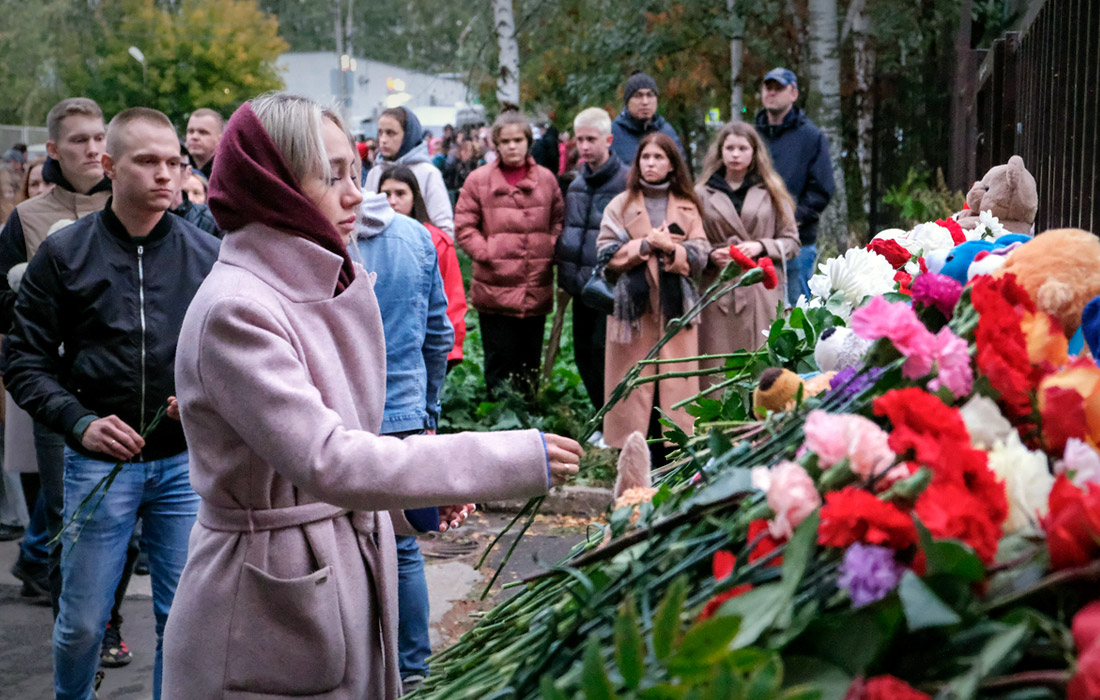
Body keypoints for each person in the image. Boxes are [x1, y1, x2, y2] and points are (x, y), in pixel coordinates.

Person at [160, 92, 580, 700]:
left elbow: (327, 466)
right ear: (272, 185)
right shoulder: (238, 310)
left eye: (353, 173)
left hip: (322, 576)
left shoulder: (308, 281)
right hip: (265, 603)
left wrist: (413, 502)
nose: (357, 194)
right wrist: (502, 460)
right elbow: (330, 460)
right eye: (332, 177)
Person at [2, 106, 220, 700]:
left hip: (182, 465)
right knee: (80, 625)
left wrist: (201, 400)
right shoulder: (65, 253)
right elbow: (23, 360)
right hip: (99, 462)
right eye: (147, 161)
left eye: (174, 162)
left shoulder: (208, 257)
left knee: (182, 621)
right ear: (109, 165)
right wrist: (80, 422)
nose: (164, 175)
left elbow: (231, 359)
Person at [0, 97, 112, 615]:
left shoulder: (127, 204)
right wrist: (32, 298)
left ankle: (102, 619)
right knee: (71, 508)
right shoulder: (26, 218)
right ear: (54, 149)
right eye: (79, 139)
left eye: (99, 137)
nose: (93, 149)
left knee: (120, 511)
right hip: (56, 391)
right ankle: (76, 626)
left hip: (123, 380)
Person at [353, 185, 453, 692]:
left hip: (339, 412)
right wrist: (427, 406)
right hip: (402, 411)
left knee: (339, 541)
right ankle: (413, 667)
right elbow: (439, 334)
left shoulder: (324, 237)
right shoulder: (416, 237)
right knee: (404, 545)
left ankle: (361, 665)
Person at [597, 132, 708, 458]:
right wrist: (644, 245)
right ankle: (629, 459)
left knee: (675, 383)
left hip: (676, 309)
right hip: (632, 310)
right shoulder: (621, 204)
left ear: (672, 164)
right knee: (633, 387)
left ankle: (673, 460)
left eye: (659, 157)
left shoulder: (688, 205)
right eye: (646, 157)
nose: (651, 163)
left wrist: (672, 250)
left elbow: (701, 252)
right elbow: (605, 253)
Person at [455, 108, 565, 399]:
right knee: (499, 358)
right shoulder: (478, 181)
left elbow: (558, 220)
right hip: (495, 287)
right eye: (506, 141)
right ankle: (500, 418)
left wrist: (548, 247)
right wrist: (487, 252)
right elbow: (465, 227)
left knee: (529, 359)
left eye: (518, 139)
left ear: (529, 141)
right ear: (496, 144)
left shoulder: (546, 180)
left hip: (535, 283)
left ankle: (529, 413)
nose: (512, 146)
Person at [695, 121, 800, 387]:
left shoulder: (772, 191)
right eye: (729, 147)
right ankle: (715, 423)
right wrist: (709, 254)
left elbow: (791, 241)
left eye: (742, 148)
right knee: (717, 364)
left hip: (760, 289)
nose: (735, 154)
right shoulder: (701, 193)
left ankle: (761, 420)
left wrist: (762, 246)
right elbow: (690, 241)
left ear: (754, 152)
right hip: (717, 289)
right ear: (720, 152)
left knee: (760, 363)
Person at [555, 108, 629, 411]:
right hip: (580, 285)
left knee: (605, 352)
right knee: (583, 352)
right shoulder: (575, 184)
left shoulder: (626, 182)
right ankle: (601, 411)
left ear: (608, 139)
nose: (584, 146)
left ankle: (615, 415)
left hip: (611, 283)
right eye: (579, 139)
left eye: (591, 139)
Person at [753, 67, 835, 305]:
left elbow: (822, 188)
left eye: (779, 88)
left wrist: (789, 219)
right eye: (768, 87)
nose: (772, 93)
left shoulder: (811, 137)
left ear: (794, 93)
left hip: (798, 244)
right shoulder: (751, 136)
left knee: (797, 315)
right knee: (759, 314)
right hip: (756, 242)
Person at [379, 166, 467, 367]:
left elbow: (452, 298)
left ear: (415, 197)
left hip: (427, 345)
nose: (392, 201)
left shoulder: (436, 241)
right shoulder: (367, 241)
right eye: (386, 194)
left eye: (400, 193)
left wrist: (450, 350)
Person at [364, 107, 455, 237]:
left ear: (408, 135)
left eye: (391, 133)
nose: (383, 139)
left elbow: (444, 229)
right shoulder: (375, 173)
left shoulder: (428, 173)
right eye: (380, 133)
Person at [610, 71, 686, 165]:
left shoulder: (667, 132)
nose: (645, 102)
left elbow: (680, 170)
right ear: (627, 102)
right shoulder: (613, 133)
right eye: (638, 96)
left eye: (650, 95)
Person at [170, 142, 220, 237]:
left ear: (188, 172)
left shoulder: (211, 222)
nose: (164, 172)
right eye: (153, 162)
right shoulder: (139, 217)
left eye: (174, 164)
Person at [185, 108, 224, 179]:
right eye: (191, 131)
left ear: (220, 140)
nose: (194, 137)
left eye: (202, 132)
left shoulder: (227, 174)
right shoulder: (179, 170)